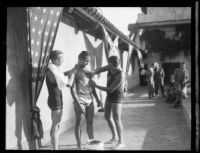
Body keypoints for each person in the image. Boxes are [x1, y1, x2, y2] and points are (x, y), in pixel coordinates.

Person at [70, 51, 103, 150]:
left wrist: (97, 99)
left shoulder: (88, 71)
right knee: (78, 123)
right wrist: (78, 104)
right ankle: (79, 145)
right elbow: (72, 90)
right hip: (79, 99)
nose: (87, 63)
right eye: (86, 61)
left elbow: (92, 86)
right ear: (80, 60)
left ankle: (92, 142)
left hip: (90, 99)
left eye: (88, 61)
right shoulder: (74, 71)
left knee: (90, 122)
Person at [91, 56, 125, 150]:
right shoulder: (110, 66)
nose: (110, 68)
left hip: (117, 97)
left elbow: (110, 90)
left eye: (112, 67)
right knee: (107, 116)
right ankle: (114, 137)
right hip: (110, 97)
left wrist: (96, 86)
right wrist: (93, 72)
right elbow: (101, 69)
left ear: (117, 65)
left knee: (117, 118)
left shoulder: (120, 74)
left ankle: (121, 142)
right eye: (109, 65)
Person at [46, 50, 77, 150]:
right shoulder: (52, 70)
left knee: (55, 124)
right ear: (55, 60)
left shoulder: (53, 68)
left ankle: (53, 146)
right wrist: (73, 73)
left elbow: (61, 76)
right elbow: (69, 83)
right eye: (61, 58)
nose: (63, 60)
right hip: (56, 100)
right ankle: (55, 148)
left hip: (54, 98)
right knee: (56, 125)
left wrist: (70, 71)